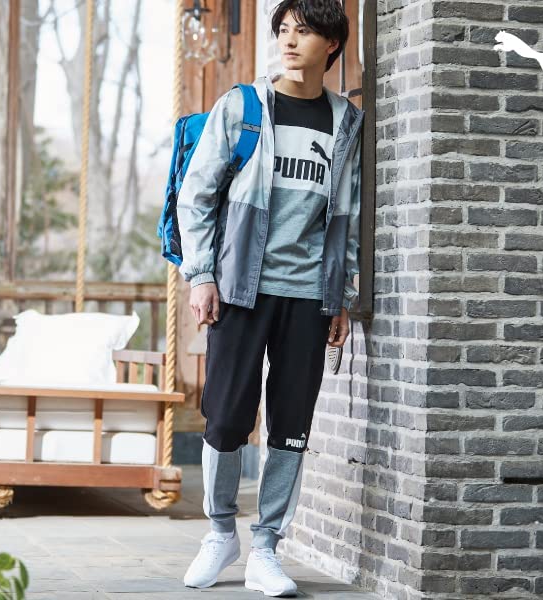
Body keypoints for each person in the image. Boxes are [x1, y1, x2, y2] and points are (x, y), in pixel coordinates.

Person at [178, 0, 363, 596]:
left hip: (309, 294)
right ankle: (219, 532)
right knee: (227, 417)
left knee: (291, 425)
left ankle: (266, 546)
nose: (288, 40)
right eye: (283, 29)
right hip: (240, 287)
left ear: (331, 45)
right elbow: (196, 195)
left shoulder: (346, 121)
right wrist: (201, 275)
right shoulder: (243, 107)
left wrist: (342, 294)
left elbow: (349, 216)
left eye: (303, 32)